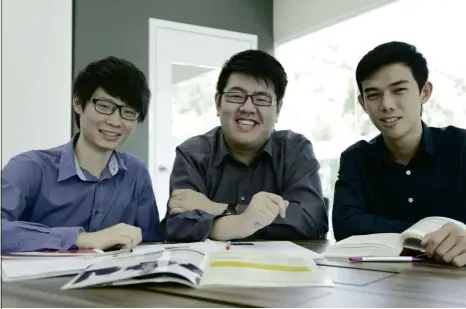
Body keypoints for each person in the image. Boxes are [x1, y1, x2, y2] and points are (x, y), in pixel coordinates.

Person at [162, 49, 328, 242]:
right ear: (217, 103)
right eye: (236, 96)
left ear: (278, 110)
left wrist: (218, 209)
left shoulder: (294, 150)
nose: (248, 108)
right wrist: (243, 219)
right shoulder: (192, 153)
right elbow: (178, 224)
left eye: (261, 99)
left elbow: (311, 219)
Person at [2, 56, 163, 254]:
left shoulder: (136, 172)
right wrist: (84, 239)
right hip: (39, 284)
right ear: (78, 104)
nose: (115, 121)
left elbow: (151, 242)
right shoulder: (30, 167)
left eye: (128, 112)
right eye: (104, 106)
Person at [332, 41, 466, 267]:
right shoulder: (356, 158)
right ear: (362, 103)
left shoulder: (460, 147)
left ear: (424, 92)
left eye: (399, 90)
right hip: (380, 285)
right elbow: (346, 226)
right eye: (373, 95)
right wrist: (428, 232)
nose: (387, 105)